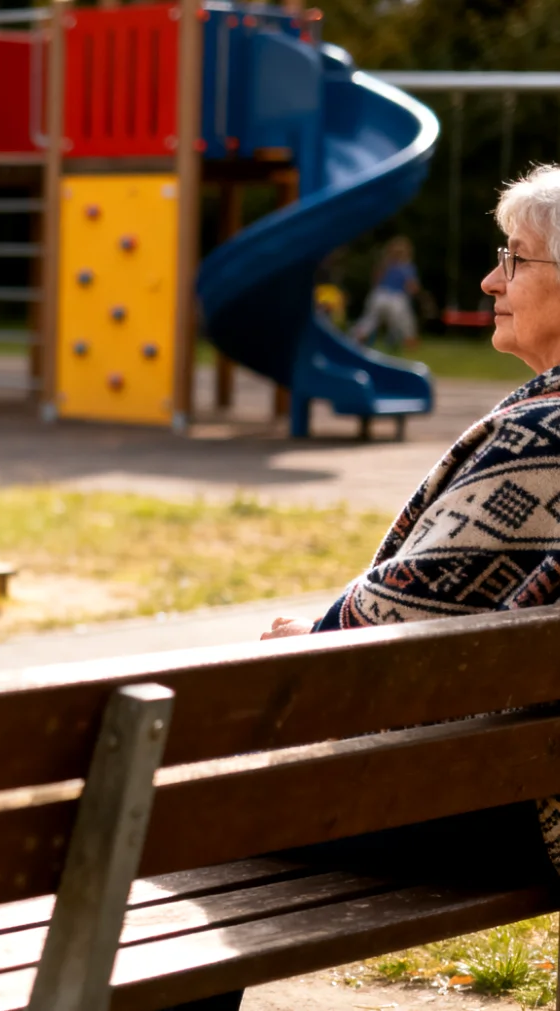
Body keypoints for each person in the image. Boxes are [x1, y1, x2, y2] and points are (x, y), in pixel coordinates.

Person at [230, 164, 560, 1011]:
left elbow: (387, 627)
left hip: (516, 806)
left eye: (516, 258)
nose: (491, 280)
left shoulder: (542, 438)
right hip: (523, 780)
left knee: (176, 810)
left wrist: (310, 637)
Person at [349, 236, 421, 349]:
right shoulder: (390, 265)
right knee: (393, 319)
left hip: (389, 295)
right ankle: (357, 337)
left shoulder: (404, 267)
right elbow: (376, 280)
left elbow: (413, 286)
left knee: (390, 319)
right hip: (388, 294)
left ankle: (400, 341)